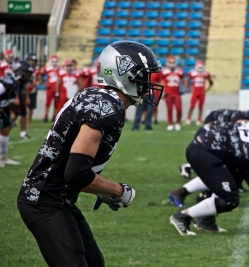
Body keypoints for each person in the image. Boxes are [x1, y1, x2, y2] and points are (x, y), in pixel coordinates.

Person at [17, 41, 164, 266]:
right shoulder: (108, 108)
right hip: (45, 201)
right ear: (125, 75)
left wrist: (99, 189)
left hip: (57, 197)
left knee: (95, 263)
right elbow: (76, 173)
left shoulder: (100, 97)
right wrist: (118, 190)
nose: (148, 83)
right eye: (143, 76)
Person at [0, 60, 33, 166]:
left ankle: (3, 157)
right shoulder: (9, 81)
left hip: (3, 106)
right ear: (20, 72)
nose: (29, 76)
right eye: (27, 73)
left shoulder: (20, 83)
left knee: (6, 127)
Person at [184, 60, 213, 126]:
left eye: (201, 67)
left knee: (200, 107)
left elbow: (211, 82)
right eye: (199, 67)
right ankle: (188, 119)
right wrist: (190, 89)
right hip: (195, 92)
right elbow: (187, 81)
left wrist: (207, 89)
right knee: (192, 106)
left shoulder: (206, 73)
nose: (200, 69)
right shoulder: (192, 73)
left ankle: (199, 120)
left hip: (202, 93)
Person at [161, 56, 185, 131]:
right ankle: (170, 124)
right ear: (168, 63)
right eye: (170, 63)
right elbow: (162, 82)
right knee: (169, 109)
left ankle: (178, 123)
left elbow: (185, 80)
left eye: (173, 62)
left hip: (177, 93)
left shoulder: (179, 71)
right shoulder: (164, 71)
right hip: (168, 93)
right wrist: (162, 92)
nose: (172, 64)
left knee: (179, 109)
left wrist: (184, 89)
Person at [25, 53, 42, 128]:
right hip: (24, 88)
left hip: (33, 89)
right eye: (31, 60)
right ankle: (16, 121)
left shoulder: (37, 69)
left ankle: (28, 123)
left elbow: (40, 80)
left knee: (31, 108)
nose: (32, 62)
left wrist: (36, 83)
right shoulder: (24, 67)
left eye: (34, 60)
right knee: (21, 107)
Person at [42, 54, 60, 122]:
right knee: (48, 103)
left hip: (57, 88)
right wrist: (43, 81)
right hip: (50, 87)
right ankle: (46, 116)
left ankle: (54, 116)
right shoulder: (47, 68)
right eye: (53, 61)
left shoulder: (60, 68)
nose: (55, 62)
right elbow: (40, 73)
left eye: (56, 61)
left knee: (56, 103)